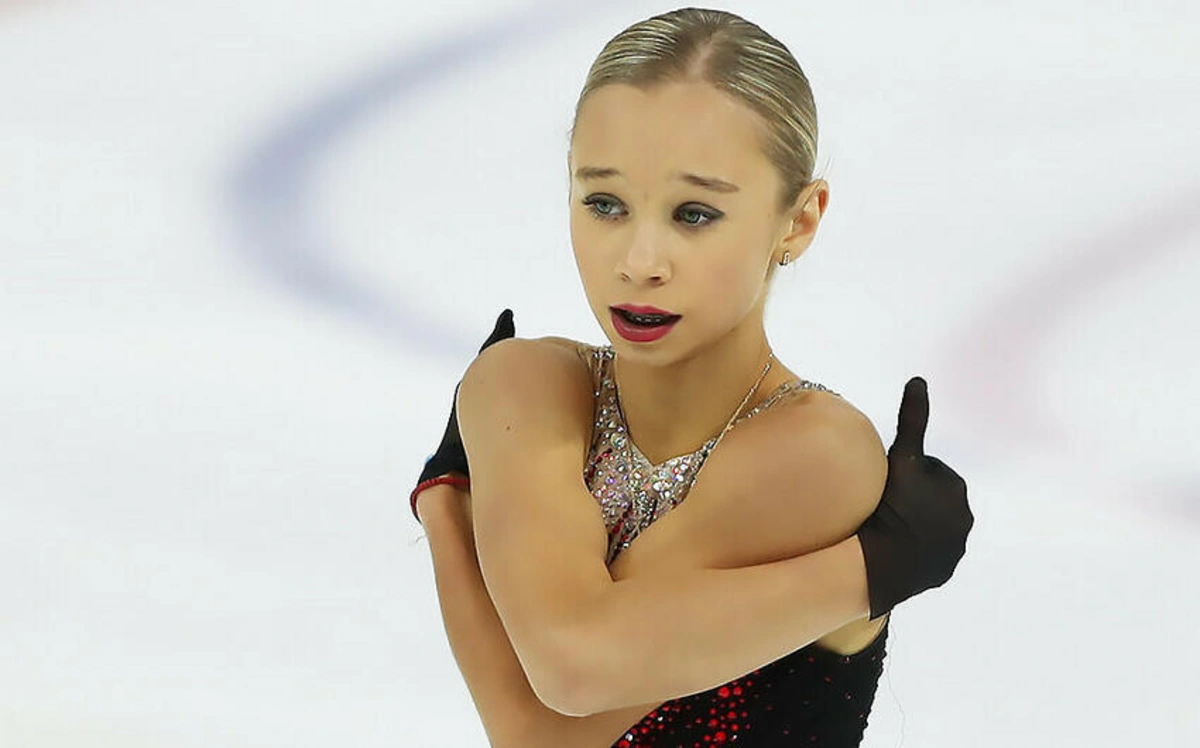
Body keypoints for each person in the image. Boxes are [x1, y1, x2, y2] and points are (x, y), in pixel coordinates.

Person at [411, 8, 973, 747]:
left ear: (799, 221)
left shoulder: (817, 454)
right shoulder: (524, 383)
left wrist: (446, 504)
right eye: (605, 203)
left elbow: (548, 718)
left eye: (695, 214)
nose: (639, 261)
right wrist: (874, 568)